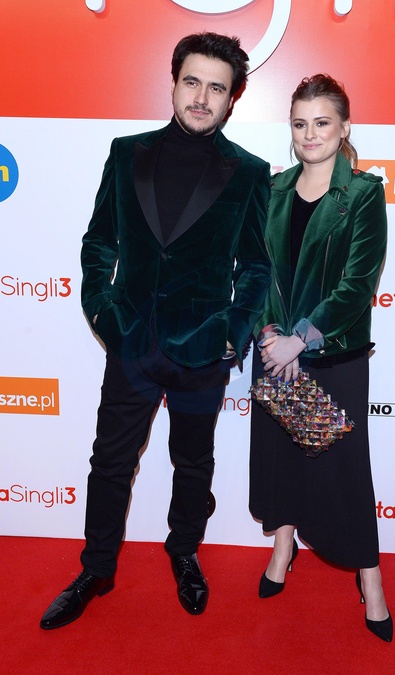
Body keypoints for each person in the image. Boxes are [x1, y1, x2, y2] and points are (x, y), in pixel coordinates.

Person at [40, 32, 271, 629]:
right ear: (173, 83)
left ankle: (184, 551)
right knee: (110, 461)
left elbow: (256, 266)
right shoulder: (126, 153)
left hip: (203, 348)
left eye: (216, 88)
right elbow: (99, 241)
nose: (201, 97)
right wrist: (102, 310)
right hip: (132, 341)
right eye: (192, 81)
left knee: (192, 462)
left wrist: (234, 331)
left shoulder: (249, 172)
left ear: (231, 99)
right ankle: (96, 568)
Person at [250, 74, 393, 642]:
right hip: (276, 354)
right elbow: (258, 271)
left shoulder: (362, 194)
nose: (310, 134)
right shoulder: (274, 189)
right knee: (283, 458)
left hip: (331, 356)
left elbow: (358, 285)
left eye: (322, 122)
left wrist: (300, 339)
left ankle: (370, 577)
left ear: (344, 127)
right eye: (300, 123)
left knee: (344, 472)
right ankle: (283, 548)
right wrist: (267, 332)